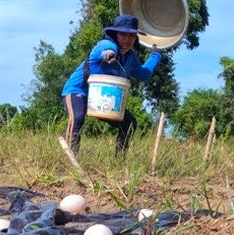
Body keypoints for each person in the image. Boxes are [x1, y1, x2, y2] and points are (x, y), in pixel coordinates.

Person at [61, 14, 162, 155]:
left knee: (129, 123)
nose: (127, 39)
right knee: (77, 117)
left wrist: (155, 55)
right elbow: (106, 51)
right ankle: (70, 159)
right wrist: (109, 55)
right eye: (123, 35)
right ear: (116, 34)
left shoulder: (130, 58)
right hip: (78, 91)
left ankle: (119, 159)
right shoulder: (106, 45)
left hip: (102, 97)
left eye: (132, 36)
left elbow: (143, 73)